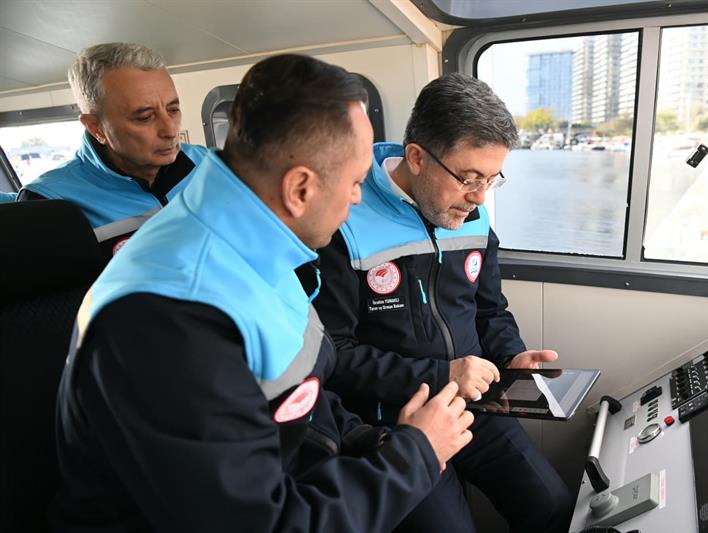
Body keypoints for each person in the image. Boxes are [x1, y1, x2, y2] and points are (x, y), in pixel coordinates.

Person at [52, 54, 474, 532]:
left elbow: (300, 390)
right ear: (299, 189)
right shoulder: (171, 321)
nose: (358, 199)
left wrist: (371, 440)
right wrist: (415, 456)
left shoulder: (256, 247)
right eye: (356, 183)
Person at [307, 73, 572, 533]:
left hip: (474, 404)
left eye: (491, 179)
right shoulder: (344, 223)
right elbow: (335, 356)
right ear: (416, 158)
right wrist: (441, 374)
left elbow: (489, 309)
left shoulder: (474, 214)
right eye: (469, 178)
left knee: (553, 505)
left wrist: (511, 357)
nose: (479, 197)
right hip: (396, 420)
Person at [17, 42, 208, 256]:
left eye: (173, 110)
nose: (170, 131)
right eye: (145, 117)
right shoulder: (48, 203)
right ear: (96, 127)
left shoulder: (208, 164)